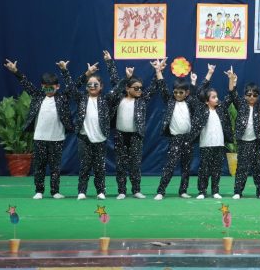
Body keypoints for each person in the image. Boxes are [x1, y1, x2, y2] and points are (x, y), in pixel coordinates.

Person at [4, 58, 74, 199]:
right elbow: (26, 84)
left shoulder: (63, 98)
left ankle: (55, 191)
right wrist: (15, 71)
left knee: (55, 167)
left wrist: (65, 71)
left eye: (51, 88)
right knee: (39, 166)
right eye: (46, 87)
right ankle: (39, 191)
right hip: (40, 138)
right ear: (42, 86)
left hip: (57, 138)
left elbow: (73, 87)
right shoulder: (37, 96)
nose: (48, 90)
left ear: (57, 87)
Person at [63, 51, 120, 200]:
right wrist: (66, 71)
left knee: (100, 167)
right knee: (84, 166)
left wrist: (109, 63)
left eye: (95, 84)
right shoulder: (81, 98)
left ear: (101, 86)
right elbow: (71, 87)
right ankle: (82, 191)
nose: (92, 86)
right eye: (89, 84)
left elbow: (118, 86)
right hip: (84, 137)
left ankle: (101, 191)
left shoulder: (106, 99)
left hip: (100, 138)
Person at [108, 58, 158, 199]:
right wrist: (110, 63)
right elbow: (115, 83)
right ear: (127, 88)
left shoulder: (142, 100)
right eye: (136, 88)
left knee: (135, 164)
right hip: (120, 135)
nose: (139, 90)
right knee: (120, 164)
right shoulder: (119, 98)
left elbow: (153, 88)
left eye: (141, 88)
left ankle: (136, 190)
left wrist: (157, 71)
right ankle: (122, 191)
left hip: (136, 135)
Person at [153, 58, 199, 200]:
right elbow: (162, 87)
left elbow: (195, 95)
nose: (178, 95)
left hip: (187, 139)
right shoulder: (170, 101)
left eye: (181, 92)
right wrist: (158, 71)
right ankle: (161, 191)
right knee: (170, 165)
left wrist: (193, 83)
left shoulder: (190, 102)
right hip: (175, 139)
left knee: (186, 167)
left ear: (186, 93)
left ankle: (183, 190)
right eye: (176, 92)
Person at [191, 64, 236, 199]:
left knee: (217, 169)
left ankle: (215, 191)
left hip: (219, 144)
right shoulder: (201, 109)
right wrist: (209, 73)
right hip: (206, 144)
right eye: (213, 97)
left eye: (217, 97)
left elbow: (231, 96)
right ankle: (202, 191)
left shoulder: (221, 108)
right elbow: (199, 92)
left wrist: (231, 79)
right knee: (204, 169)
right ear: (206, 101)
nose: (217, 99)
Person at [231, 69, 260, 200]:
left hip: (256, 141)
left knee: (258, 169)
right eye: (249, 95)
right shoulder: (241, 105)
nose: (251, 97)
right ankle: (238, 192)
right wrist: (232, 80)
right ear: (244, 95)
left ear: (258, 96)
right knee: (241, 168)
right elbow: (232, 93)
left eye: (255, 95)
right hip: (243, 142)